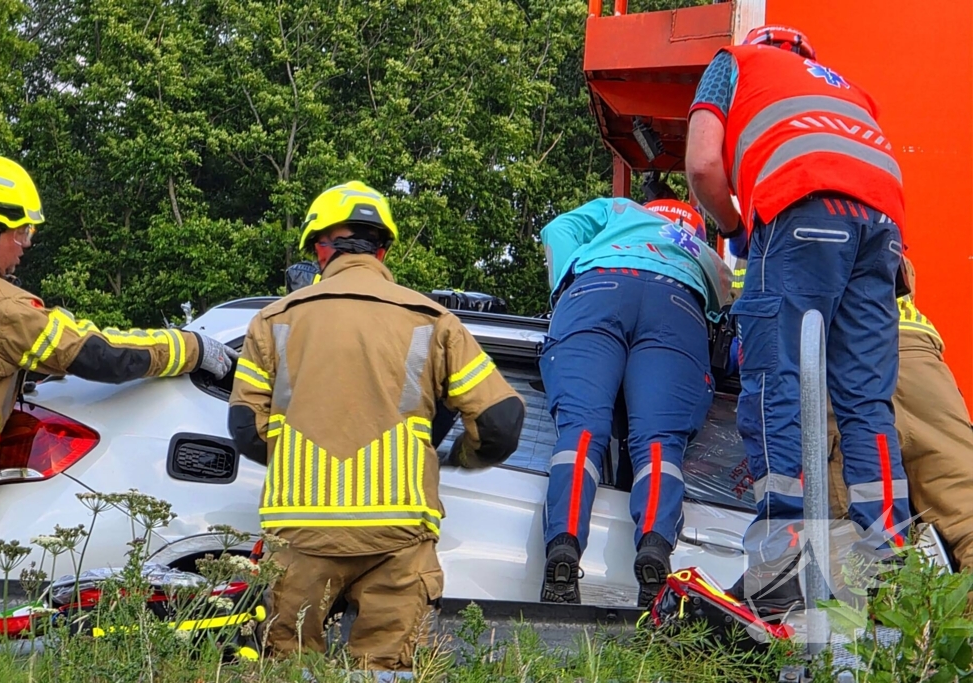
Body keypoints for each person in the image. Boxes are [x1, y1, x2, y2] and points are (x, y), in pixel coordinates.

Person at [227, 181, 524, 674]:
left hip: (302, 540)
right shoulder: (433, 320)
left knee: (291, 669)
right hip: (399, 540)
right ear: (382, 248)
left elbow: (245, 427)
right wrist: (458, 457)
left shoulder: (275, 320)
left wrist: (299, 454)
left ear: (321, 249)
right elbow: (500, 422)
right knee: (385, 670)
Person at [685, 24, 909, 614]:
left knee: (774, 384)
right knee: (866, 401)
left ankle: (779, 565)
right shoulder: (847, 90)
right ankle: (891, 572)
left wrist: (736, 230)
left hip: (800, 207)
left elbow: (703, 164)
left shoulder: (734, 63)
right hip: (882, 227)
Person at [0, 153, 237, 530]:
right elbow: (101, 355)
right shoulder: (0, 308)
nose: (26, 245)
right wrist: (192, 347)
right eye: (22, 232)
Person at [537, 196, 731, 607]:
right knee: (660, 443)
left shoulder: (618, 209)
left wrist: (569, 284)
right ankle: (656, 548)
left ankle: (564, 546)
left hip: (599, 287)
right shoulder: (706, 255)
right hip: (678, 305)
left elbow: (557, 231)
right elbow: (720, 310)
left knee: (582, 429)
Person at [827, 256, 973, 572]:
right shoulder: (880, 213)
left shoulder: (775, 220)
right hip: (919, 360)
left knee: (861, 547)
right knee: (968, 513)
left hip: (838, 368)